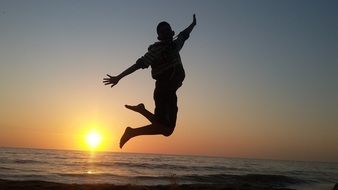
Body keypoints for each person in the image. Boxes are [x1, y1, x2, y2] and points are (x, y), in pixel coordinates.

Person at [103, 14, 197, 148]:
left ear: (172, 32)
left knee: (165, 128)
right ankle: (132, 131)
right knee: (166, 129)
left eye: (167, 30)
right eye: (162, 32)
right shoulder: (156, 51)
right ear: (159, 36)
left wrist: (193, 24)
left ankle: (139, 116)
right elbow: (138, 65)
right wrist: (119, 77)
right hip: (163, 91)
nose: (166, 33)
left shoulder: (175, 45)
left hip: (171, 91)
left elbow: (184, 35)